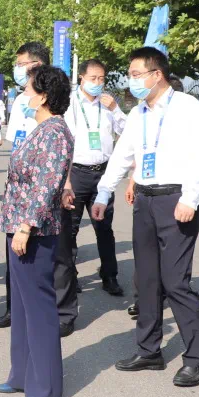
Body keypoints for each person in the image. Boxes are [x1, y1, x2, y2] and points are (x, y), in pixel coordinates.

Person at [93, 46, 199, 387]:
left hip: (175, 200)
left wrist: (191, 198)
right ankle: (149, 350)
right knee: (146, 281)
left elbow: (196, 154)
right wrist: (104, 192)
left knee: (175, 283)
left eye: (136, 75)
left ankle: (196, 359)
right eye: (130, 76)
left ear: (156, 74)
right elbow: (122, 155)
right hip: (144, 200)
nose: (132, 81)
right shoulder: (138, 113)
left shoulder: (186, 107)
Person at [0, 65, 73, 397]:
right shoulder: (40, 128)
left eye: (28, 90)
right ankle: (21, 374)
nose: (24, 96)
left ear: (43, 96)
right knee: (23, 306)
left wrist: (26, 227)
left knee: (39, 308)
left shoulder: (55, 132)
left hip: (34, 229)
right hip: (20, 223)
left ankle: (46, 387)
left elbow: (46, 185)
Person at [0, 41, 50, 329]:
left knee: (51, 256)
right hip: (17, 188)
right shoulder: (18, 100)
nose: (16, 69)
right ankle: (13, 309)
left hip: (44, 187)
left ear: (36, 65)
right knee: (13, 253)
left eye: (21, 63)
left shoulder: (57, 98)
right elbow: (13, 141)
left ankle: (58, 314)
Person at [62, 59, 127, 297]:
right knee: (70, 228)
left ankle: (109, 276)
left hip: (103, 173)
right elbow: (63, 144)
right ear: (81, 77)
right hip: (76, 173)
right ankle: (71, 276)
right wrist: (66, 181)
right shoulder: (70, 103)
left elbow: (127, 132)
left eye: (102, 79)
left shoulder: (108, 104)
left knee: (104, 227)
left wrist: (116, 110)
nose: (98, 83)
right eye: (93, 79)